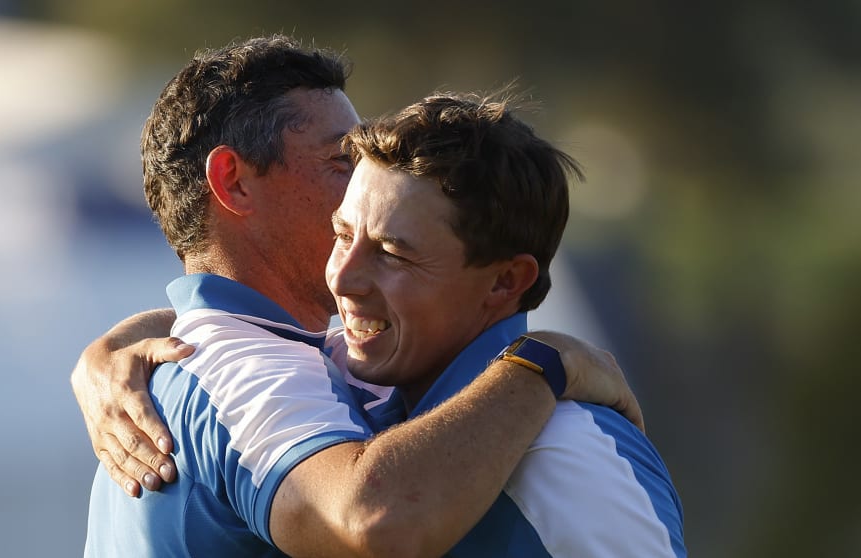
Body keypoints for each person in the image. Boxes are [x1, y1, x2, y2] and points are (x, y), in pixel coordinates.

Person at [77, 35, 644, 557]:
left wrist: (115, 343)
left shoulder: (220, 357)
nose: (366, 185)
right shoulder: (245, 366)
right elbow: (375, 520)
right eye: (340, 161)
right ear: (233, 181)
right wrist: (542, 362)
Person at [325, 93, 686, 556]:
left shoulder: (572, 459)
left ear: (505, 281)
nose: (343, 278)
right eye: (343, 235)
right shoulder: (339, 393)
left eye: (392, 253)